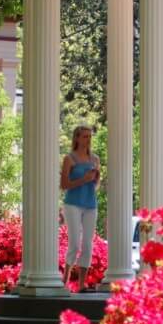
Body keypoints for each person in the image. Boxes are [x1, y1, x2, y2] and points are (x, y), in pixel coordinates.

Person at [60, 125, 100, 292]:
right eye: (84, 136)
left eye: (89, 137)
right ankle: (65, 281)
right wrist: (83, 179)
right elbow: (64, 185)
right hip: (72, 204)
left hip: (90, 204)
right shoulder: (70, 159)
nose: (87, 140)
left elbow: (96, 185)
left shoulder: (95, 159)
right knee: (75, 243)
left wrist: (95, 178)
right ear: (76, 138)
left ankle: (82, 284)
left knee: (88, 244)